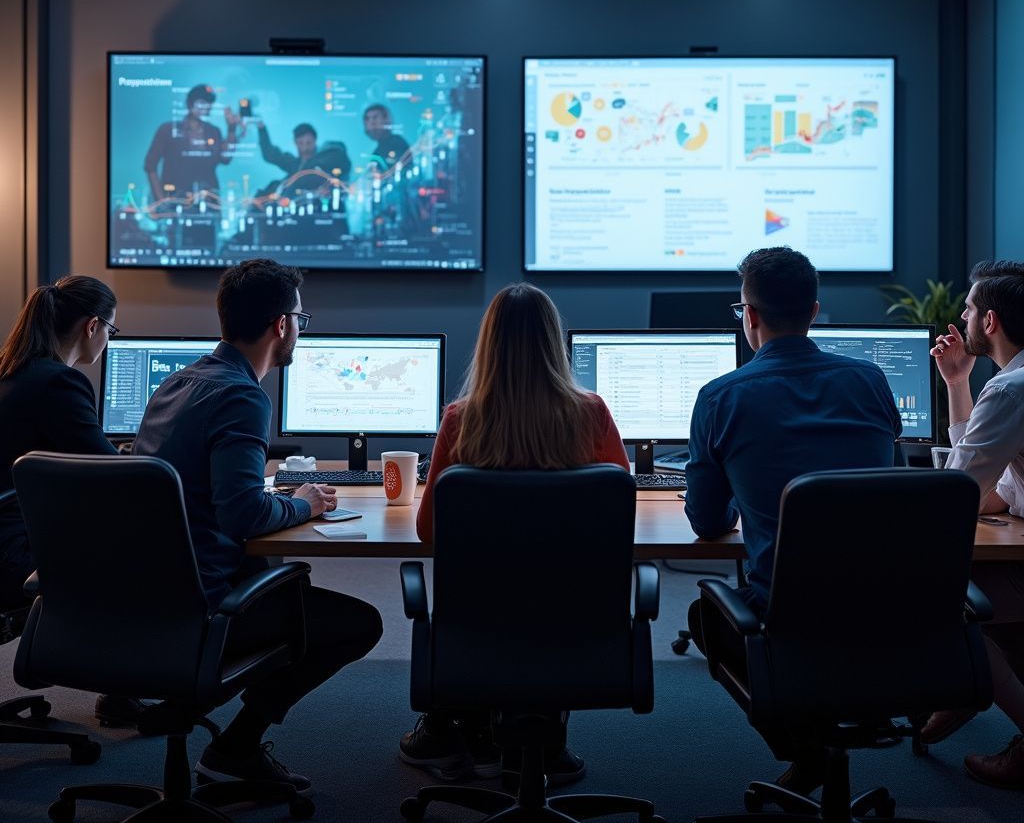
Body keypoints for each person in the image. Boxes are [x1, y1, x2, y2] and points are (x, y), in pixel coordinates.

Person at [134, 258, 383, 790]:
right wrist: (306, 504)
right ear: (282, 325)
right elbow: (243, 514)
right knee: (359, 623)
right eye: (301, 319)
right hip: (203, 604)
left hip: (147, 596)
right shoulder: (242, 395)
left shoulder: (179, 381)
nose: (300, 329)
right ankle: (236, 748)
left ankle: (187, 703)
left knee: (280, 580)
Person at [683, 246, 902, 794]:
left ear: (750, 315)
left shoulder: (721, 397)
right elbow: (887, 479)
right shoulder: (871, 380)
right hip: (886, 606)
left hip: (786, 610)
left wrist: (741, 498)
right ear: (814, 311)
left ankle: (806, 747)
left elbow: (706, 521)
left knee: (705, 615)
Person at [401, 283, 629, 789]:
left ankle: (466, 728)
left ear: (488, 344)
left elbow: (428, 531)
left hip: (480, 621)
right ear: (554, 342)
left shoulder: (461, 420)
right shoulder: (591, 412)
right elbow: (619, 512)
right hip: (574, 618)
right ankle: (544, 738)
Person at [0, 276, 144, 727]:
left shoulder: (11, 372)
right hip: (12, 554)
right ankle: (121, 689)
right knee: (144, 549)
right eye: (111, 330)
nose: (107, 340)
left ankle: (118, 688)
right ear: (92, 326)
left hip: (6, 535)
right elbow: (110, 475)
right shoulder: (59, 383)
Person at [917, 260, 1024, 787]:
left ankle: (969, 684)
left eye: (969, 308)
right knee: (971, 584)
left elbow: (957, 493)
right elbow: (996, 493)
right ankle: (968, 683)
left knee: (935, 597)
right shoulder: (1013, 385)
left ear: (990, 321)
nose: (962, 317)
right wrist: (958, 382)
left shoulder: (1010, 391)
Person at [143, 83, 237, 204]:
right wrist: (161, 202)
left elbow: (225, 159)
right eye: (202, 102)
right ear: (190, 104)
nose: (207, 106)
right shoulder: (168, 130)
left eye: (209, 103)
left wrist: (231, 130)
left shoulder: (213, 131)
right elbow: (150, 166)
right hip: (176, 202)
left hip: (209, 203)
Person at [257, 121, 352, 192]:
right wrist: (262, 129)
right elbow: (271, 155)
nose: (305, 147)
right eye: (301, 143)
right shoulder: (294, 164)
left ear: (315, 140)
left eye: (308, 142)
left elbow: (342, 163)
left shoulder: (326, 161)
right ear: (295, 143)